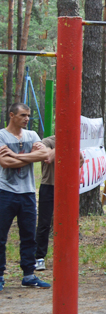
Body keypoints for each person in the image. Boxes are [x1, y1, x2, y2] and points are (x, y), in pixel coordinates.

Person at [0, 103, 51, 290]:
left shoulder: (32, 136)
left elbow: (45, 154)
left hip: (28, 193)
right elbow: (4, 162)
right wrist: (30, 155)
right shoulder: (1, 136)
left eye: (28, 115)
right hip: (5, 192)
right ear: (12, 115)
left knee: (29, 235)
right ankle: (0, 275)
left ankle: (29, 275)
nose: (27, 119)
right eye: (23, 115)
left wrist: (15, 154)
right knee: (1, 235)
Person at [34, 135, 83, 272]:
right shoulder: (47, 141)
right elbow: (48, 158)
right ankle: (39, 258)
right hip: (48, 186)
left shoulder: (72, 142)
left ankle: (66, 256)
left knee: (67, 222)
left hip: (66, 187)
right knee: (44, 223)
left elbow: (80, 160)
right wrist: (62, 143)